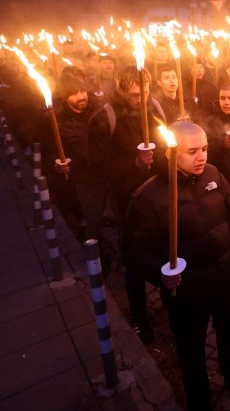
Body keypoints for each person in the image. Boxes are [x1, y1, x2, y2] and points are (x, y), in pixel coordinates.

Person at [123, 121, 230, 411]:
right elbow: (134, 250)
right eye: (192, 151)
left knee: (229, 329)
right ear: (171, 153)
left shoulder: (214, 175)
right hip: (187, 290)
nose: (202, 157)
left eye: (205, 148)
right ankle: (199, 398)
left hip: (223, 276)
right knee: (190, 346)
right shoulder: (148, 196)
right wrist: (160, 273)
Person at [89, 65, 166, 343]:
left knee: (164, 247)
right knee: (134, 258)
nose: (140, 99)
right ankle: (139, 317)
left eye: (145, 92)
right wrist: (134, 163)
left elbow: (165, 141)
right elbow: (99, 168)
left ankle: (169, 301)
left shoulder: (155, 108)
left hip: (159, 193)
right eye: (134, 94)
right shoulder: (104, 118)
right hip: (127, 200)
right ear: (121, 90)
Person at [53, 73, 113, 271]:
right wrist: (57, 164)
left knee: (117, 212)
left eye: (82, 91)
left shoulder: (100, 111)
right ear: (65, 97)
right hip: (86, 178)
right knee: (93, 218)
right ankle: (98, 257)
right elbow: (53, 150)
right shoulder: (59, 121)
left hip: (109, 171)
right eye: (74, 93)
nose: (81, 96)